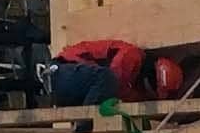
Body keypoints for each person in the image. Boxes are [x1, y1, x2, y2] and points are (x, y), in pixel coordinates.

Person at [41, 38, 183, 106]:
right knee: (107, 79)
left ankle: (83, 124)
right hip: (65, 74)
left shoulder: (133, 80)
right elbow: (116, 82)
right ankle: (85, 120)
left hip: (75, 88)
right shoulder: (131, 55)